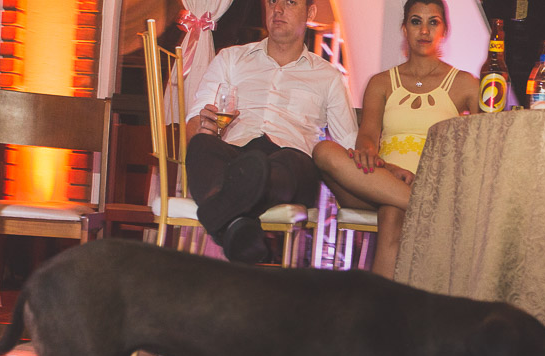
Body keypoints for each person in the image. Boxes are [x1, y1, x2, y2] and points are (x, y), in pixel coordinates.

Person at [313, 0, 479, 278]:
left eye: (433, 22)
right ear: (404, 29)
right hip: (380, 179)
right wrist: (383, 165)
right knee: (323, 151)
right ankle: (426, 206)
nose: (424, 30)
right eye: (416, 21)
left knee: (392, 210)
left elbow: (482, 141)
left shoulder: (466, 83)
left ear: (445, 31)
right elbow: (367, 137)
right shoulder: (380, 82)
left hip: (431, 181)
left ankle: (382, 303)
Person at [185, 0, 357, 263]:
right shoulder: (230, 59)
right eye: (272, 1)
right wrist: (204, 126)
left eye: (290, 2)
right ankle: (239, 227)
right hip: (235, 156)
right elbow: (194, 123)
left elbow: (348, 145)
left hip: (291, 163)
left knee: (286, 162)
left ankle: (225, 220)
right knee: (201, 145)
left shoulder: (328, 77)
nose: (278, 9)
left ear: (310, 13)